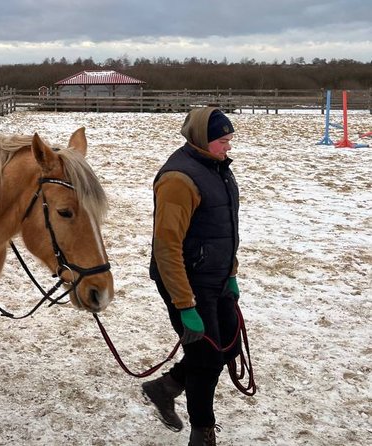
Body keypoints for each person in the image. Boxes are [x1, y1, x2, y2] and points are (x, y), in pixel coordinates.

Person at [142, 108, 242, 446]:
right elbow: (166, 246)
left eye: (229, 140)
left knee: (229, 345)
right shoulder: (178, 180)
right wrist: (185, 304)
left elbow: (224, 228)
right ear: (202, 139)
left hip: (217, 277)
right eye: (223, 141)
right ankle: (202, 433)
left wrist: (231, 273)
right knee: (206, 359)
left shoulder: (217, 168)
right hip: (185, 281)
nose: (228, 147)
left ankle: (164, 387)